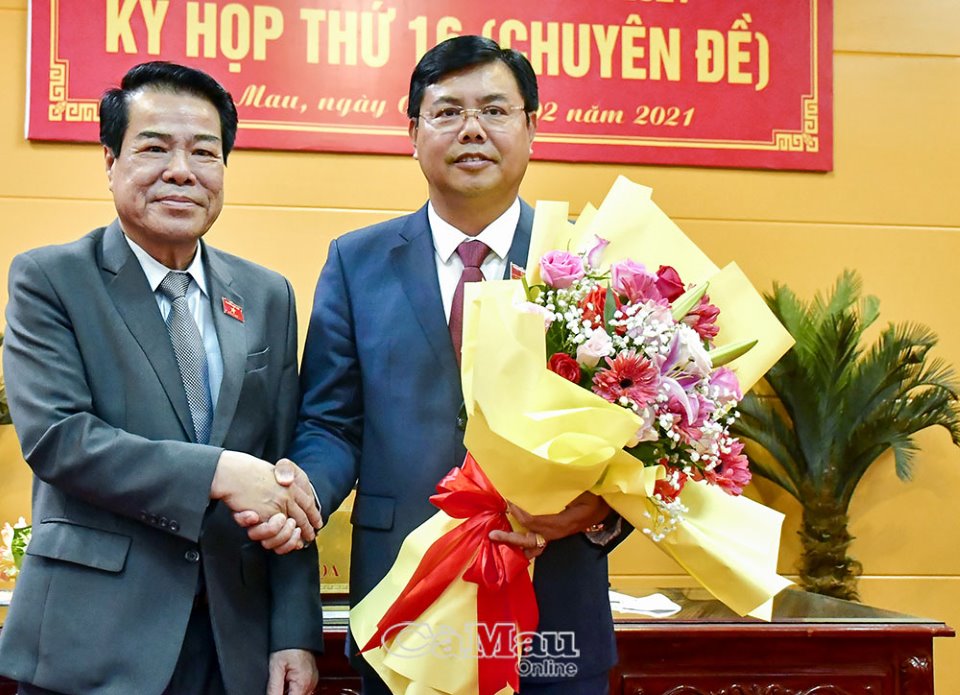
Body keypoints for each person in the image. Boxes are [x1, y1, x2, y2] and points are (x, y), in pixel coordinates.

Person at [286, 36, 622, 693]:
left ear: (532, 127)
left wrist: (599, 508)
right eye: (447, 112)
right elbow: (331, 424)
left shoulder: (589, 260)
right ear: (413, 133)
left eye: (494, 110)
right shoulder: (356, 262)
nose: (472, 130)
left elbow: (640, 430)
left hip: (552, 603)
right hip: (404, 602)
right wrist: (301, 491)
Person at [0, 62, 324, 695]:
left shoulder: (267, 295)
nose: (181, 170)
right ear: (111, 161)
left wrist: (293, 630)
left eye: (204, 152)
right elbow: (60, 439)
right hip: (92, 642)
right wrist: (219, 472)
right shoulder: (51, 280)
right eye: (154, 148)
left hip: (232, 645)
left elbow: (284, 472)